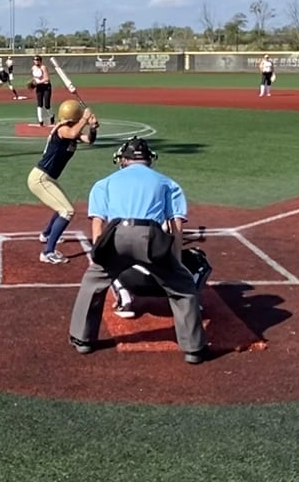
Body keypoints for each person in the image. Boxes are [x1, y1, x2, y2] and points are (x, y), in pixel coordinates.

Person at [68, 137, 210, 364]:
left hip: (116, 235)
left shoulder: (105, 182)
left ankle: (82, 339)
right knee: (183, 287)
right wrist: (175, 261)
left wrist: (99, 258)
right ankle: (193, 349)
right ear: (149, 159)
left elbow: (98, 224)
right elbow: (176, 226)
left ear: (123, 160)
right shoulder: (167, 183)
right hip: (150, 237)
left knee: (92, 283)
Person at [28, 99, 99, 265]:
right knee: (67, 211)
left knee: (62, 206)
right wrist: (85, 119)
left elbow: (89, 140)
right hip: (40, 178)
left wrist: (93, 128)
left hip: (47, 178)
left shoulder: (71, 130)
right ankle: (48, 252)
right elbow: (72, 133)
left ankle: (46, 234)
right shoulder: (62, 129)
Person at [29, 55, 53, 125]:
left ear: (40, 61)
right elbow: (34, 77)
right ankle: (40, 120)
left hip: (46, 86)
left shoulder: (43, 67)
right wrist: (33, 82)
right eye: (35, 60)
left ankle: (51, 116)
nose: (36, 61)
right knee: (39, 104)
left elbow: (47, 78)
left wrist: (38, 82)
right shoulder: (33, 68)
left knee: (47, 105)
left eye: (38, 60)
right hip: (39, 87)